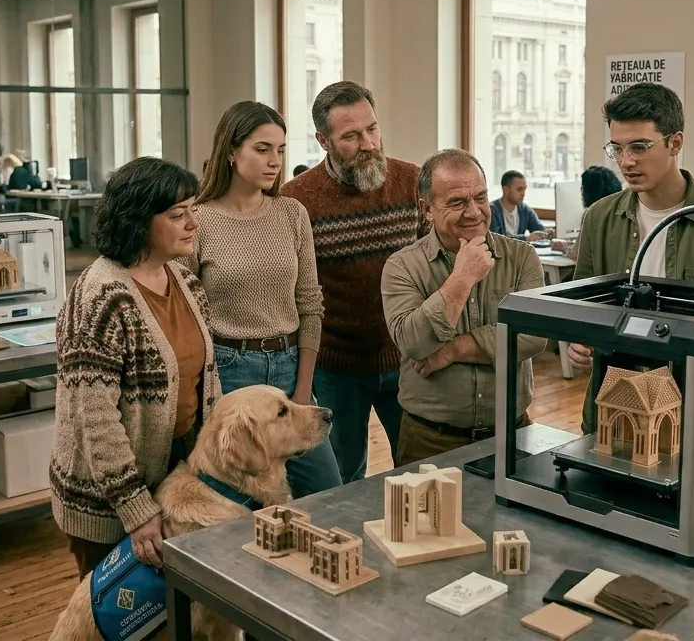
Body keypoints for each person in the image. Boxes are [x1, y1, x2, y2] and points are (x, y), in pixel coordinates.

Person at [50, 157, 222, 578]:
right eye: (177, 214)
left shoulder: (185, 282)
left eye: (192, 210)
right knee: (114, 621)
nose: (192, 224)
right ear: (138, 221)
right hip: (108, 500)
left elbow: (205, 381)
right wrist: (136, 510)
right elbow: (96, 421)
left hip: (173, 478)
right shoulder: (99, 297)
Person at [567, 82, 694, 434]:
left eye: (640, 147)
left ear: (675, 143)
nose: (626, 162)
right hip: (612, 406)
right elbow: (584, 305)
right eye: (617, 148)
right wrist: (580, 342)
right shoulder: (599, 218)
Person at [182, 100, 341, 498]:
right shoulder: (198, 219)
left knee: (327, 492)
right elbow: (187, 315)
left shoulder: (292, 214)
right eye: (262, 149)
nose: (274, 161)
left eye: (281, 150)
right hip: (229, 372)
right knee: (234, 503)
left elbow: (310, 305)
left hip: (290, 368)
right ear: (231, 152)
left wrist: (303, 389)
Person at [281, 81, 420, 483]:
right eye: (351, 136)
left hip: (405, 359)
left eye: (372, 129)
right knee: (341, 477)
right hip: (335, 366)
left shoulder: (411, 182)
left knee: (416, 471)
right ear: (323, 140)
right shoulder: (298, 201)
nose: (368, 143)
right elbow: (296, 293)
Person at [381, 149, 547, 466]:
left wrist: (450, 350)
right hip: (429, 440)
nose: (474, 212)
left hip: (513, 433)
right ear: (426, 209)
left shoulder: (521, 257)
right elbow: (413, 343)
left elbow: (534, 335)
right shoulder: (402, 266)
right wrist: (462, 278)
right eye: (457, 202)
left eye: (480, 198)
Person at [552, 166, 622, 260]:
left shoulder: (593, 214)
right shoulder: (622, 208)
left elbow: (577, 254)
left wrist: (563, 247)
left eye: (583, 188)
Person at [490, 171, 548, 242]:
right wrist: (525, 238)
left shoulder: (525, 210)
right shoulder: (491, 210)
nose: (523, 193)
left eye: (524, 189)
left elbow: (539, 229)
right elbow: (496, 239)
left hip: (519, 252)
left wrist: (546, 233)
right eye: (519, 189)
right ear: (506, 190)